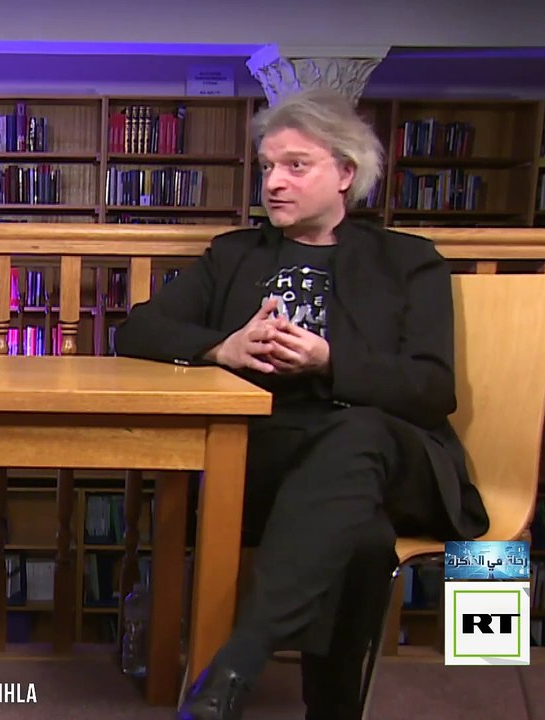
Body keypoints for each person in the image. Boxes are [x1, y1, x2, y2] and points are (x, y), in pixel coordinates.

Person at [113, 88, 489, 720]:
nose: (274, 183)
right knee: (362, 536)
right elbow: (138, 330)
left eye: (295, 165)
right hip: (274, 460)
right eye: (267, 166)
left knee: (358, 436)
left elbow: (431, 389)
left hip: (392, 457)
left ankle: (238, 662)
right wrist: (223, 348)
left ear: (345, 173)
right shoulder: (235, 255)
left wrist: (329, 361)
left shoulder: (407, 261)